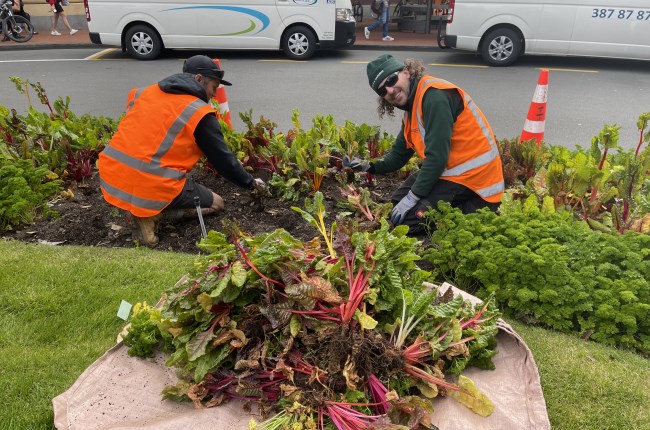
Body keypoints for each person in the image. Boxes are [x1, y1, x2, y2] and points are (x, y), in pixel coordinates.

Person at [97, 55, 267, 247]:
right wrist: (250, 183)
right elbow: (222, 160)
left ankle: (139, 209)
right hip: (150, 185)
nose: (213, 95)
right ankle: (152, 215)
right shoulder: (198, 112)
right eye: (213, 87)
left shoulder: (145, 92)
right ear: (198, 80)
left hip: (111, 175)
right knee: (217, 203)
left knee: (145, 178)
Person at [344, 54, 504, 235]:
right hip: (450, 173)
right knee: (397, 202)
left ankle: (472, 211)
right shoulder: (413, 106)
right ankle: (450, 206)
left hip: (476, 181)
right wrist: (368, 165)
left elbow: (437, 158)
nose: (389, 90)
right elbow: (398, 156)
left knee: (410, 222)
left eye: (391, 79)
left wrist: (413, 197)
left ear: (406, 72)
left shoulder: (434, 96)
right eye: (382, 90)